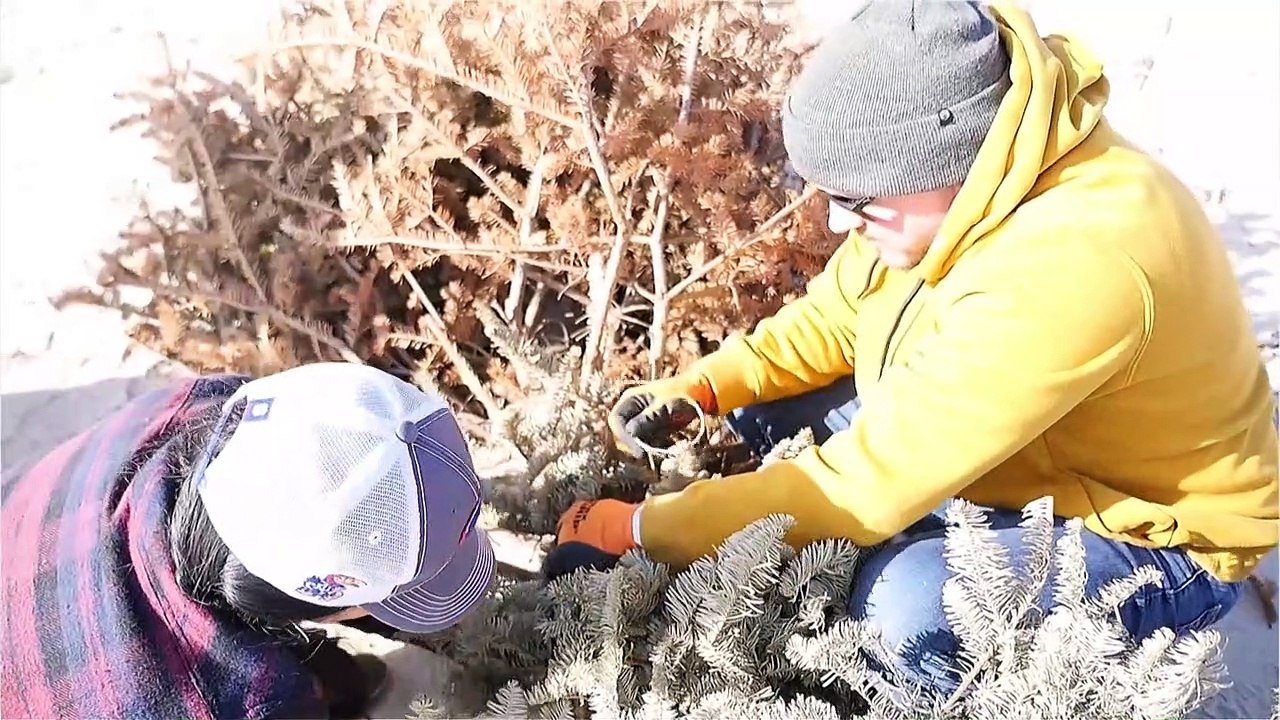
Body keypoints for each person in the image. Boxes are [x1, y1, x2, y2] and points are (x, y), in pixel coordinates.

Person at [551, 0, 1279, 697]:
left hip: (1151, 539)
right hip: (1024, 447)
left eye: (857, 200)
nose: (840, 224)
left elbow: (860, 487)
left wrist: (642, 530)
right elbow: (838, 318)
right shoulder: (959, 186)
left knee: (909, 610)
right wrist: (708, 387)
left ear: (938, 156)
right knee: (768, 412)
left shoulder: (1078, 262)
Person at [2, 362, 494, 719]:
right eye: (377, 603)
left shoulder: (203, 402)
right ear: (308, 601)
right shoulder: (240, 702)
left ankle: (335, 680)